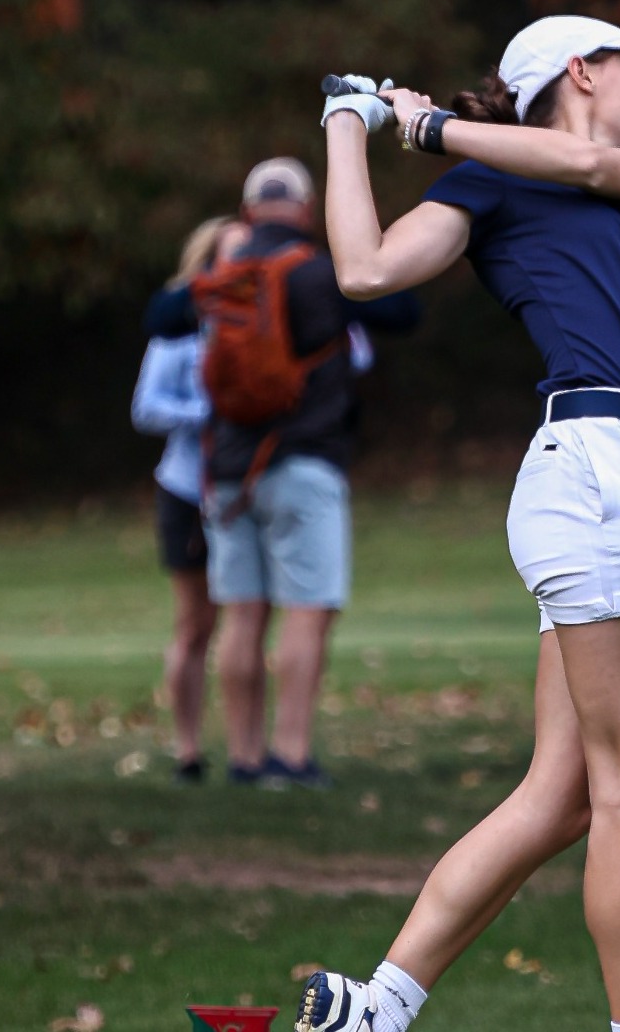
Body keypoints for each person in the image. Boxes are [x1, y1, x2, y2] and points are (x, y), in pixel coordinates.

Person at [300, 13, 620, 1032]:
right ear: (579, 71)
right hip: (598, 471)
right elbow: (368, 271)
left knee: (566, 795)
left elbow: (580, 162)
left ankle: (377, 1006)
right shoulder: (489, 183)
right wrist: (350, 126)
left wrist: (430, 130)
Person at [145, 158, 419, 788]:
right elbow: (404, 314)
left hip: (229, 473)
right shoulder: (323, 276)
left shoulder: (225, 279)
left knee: (242, 616)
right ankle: (290, 756)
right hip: (306, 464)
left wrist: (213, 276)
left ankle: (244, 757)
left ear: (245, 212)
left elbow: (158, 319)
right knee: (307, 610)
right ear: (306, 209)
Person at [132, 215, 248, 783]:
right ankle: (188, 750)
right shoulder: (178, 327)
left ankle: (252, 751)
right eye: (228, 256)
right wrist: (210, 412)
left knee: (246, 621)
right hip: (186, 487)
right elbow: (146, 407)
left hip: (247, 486)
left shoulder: (267, 319)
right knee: (196, 623)